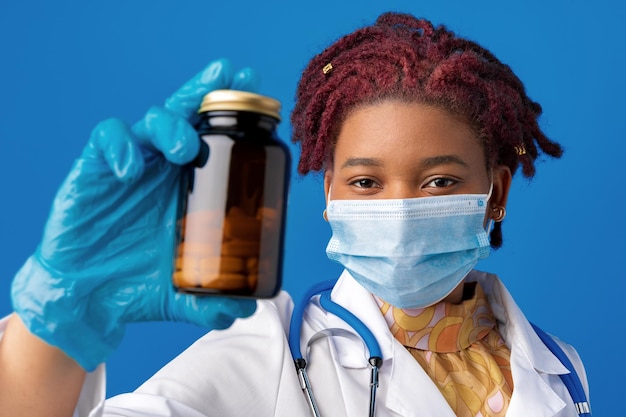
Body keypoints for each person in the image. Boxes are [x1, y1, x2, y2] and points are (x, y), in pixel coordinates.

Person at [0, 11, 590, 417]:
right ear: (331, 193)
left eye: (439, 180)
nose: (402, 209)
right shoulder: (274, 346)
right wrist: (60, 323)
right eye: (365, 182)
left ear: (496, 193)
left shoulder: (561, 369)